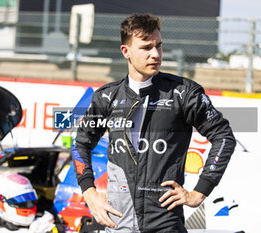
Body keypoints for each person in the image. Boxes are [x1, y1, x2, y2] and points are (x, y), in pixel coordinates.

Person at [72, 13, 236, 232]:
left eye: (159, 46)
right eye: (146, 47)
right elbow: (80, 143)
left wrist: (199, 192)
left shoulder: (183, 93)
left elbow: (224, 137)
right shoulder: (106, 97)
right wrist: (89, 192)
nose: (155, 54)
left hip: (165, 223)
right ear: (126, 51)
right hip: (118, 221)